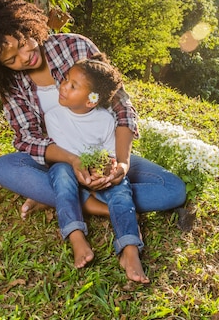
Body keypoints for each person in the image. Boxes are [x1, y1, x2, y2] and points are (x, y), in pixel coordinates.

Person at [0, 0, 186, 238]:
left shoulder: (74, 46)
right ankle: (93, 203)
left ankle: (62, 198)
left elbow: (121, 106)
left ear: (28, 27)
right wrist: (74, 161)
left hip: (104, 154)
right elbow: (27, 137)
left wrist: (122, 164)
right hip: (59, 163)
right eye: (11, 59)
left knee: (172, 189)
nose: (25, 57)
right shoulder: (9, 85)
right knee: (5, 167)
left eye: (23, 44)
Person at [44, 53, 148, 283]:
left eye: (73, 85)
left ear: (91, 100)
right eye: (66, 79)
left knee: (122, 188)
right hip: (69, 169)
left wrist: (109, 172)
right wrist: (84, 174)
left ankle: (130, 249)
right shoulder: (53, 116)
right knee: (61, 176)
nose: (63, 86)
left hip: (97, 174)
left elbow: (111, 154)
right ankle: (76, 236)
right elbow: (65, 154)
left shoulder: (105, 120)